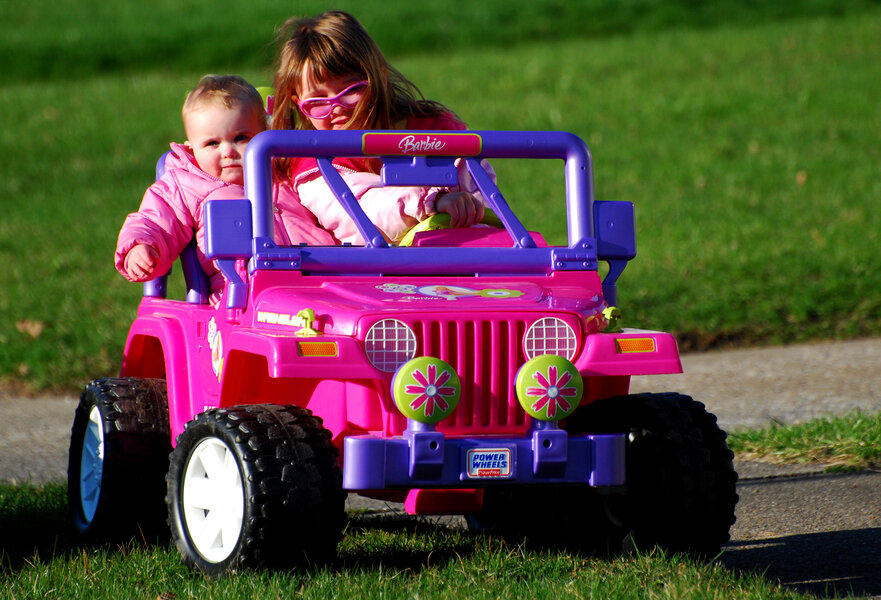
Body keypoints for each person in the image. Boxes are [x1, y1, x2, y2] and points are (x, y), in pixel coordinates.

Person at [271, 10, 492, 245]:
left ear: (379, 79)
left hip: (461, 257)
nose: (337, 107)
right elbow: (359, 212)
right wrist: (430, 203)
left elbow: (484, 197)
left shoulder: (433, 131)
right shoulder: (313, 163)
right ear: (298, 104)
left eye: (351, 90)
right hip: (373, 274)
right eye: (318, 101)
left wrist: (465, 206)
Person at [115, 74, 335, 304]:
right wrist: (141, 246)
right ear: (193, 149)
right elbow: (155, 221)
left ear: (264, 135)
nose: (228, 151)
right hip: (243, 299)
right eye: (212, 143)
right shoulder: (187, 185)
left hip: (323, 282)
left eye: (241, 138)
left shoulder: (284, 172)